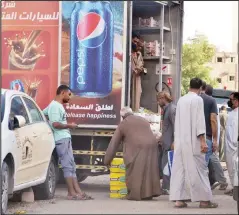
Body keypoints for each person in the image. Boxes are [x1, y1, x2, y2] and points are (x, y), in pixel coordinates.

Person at [169, 78, 218, 208]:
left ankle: (179, 199)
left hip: (180, 141)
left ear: (190, 86)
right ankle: (204, 200)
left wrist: (175, 140)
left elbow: (177, 122)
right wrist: (203, 141)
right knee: (200, 170)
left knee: (180, 170)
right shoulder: (198, 100)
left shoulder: (181, 100)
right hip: (193, 141)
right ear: (201, 88)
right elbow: (199, 122)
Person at [43, 85, 93, 200]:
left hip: (65, 138)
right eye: (69, 94)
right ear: (63, 93)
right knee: (67, 166)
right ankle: (71, 193)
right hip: (61, 139)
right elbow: (55, 124)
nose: (70, 97)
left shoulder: (55, 105)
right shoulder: (55, 106)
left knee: (71, 166)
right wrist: (69, 125)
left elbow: (43, 114)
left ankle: (78, 192)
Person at [104, 107, 161, 201]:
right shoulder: (142, 119)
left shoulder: (123, 123)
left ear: (123, 116)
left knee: (135, 171)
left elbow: (114, 143)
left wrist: (107, 160)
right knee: (149, 170)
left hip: (137, 147)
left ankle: (134, 195)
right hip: (152, 145)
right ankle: (149, 194)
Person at [205, 85, 228, 190]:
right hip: (211, 136)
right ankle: (215, 180)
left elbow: (214, 122)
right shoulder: (210, 102)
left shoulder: (209, 102)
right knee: (211, 159)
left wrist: (215, 140)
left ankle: (221, 180)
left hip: (209, 137)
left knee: (212, 158)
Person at [157, 91, 176, 195]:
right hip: (166, 143)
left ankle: (166, 188)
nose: (158, 102)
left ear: (164, 98)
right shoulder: (166, 110)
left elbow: (176, 126)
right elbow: (167, 128)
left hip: (170, 144)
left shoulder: (172, 109)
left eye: (159, 99)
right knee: (164, 165)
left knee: (166, 165)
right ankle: (165, 187)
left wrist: (174, 141)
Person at [224, 92, 239, 196]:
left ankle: (235, 188)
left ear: (237, 101)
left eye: (232, 99)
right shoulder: (233, 113)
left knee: (233, 167)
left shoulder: (235, 115)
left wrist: (233, 145)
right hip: (231, 146)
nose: (230, 101)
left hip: (233, 146)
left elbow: (234, 134)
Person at [131, 41, 144, 111]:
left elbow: (141, 65)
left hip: (137, 77)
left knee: (138, 92)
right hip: (132, 77)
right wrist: (137, 69)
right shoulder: (130, 55)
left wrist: (138, 69)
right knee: (132, 94)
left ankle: (136, 109)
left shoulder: (139, 55)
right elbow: (132, 67)